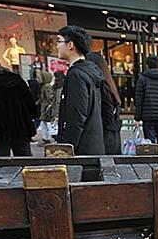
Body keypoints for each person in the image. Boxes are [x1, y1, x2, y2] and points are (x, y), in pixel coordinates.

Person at [56, 26, 105, 155]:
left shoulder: (76, 75)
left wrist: (66, 148)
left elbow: (76, 117)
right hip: (92, 146)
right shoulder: (89, 71)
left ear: (70, 44)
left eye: (59, 41)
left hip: (81, 151)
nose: (56, 46)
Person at [85, 52, 122, 155]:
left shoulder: (101, 85)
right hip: (112, 136)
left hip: (105, 137)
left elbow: (107, 115)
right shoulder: (108, 84)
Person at [37, 70, 55, 145]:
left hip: (45, 107)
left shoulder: (46, 86)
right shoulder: (45, 86)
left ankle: (46, 138)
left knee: (45, 123)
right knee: (44, 124)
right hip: (45, 106)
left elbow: (49, 97)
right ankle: (46, 138)